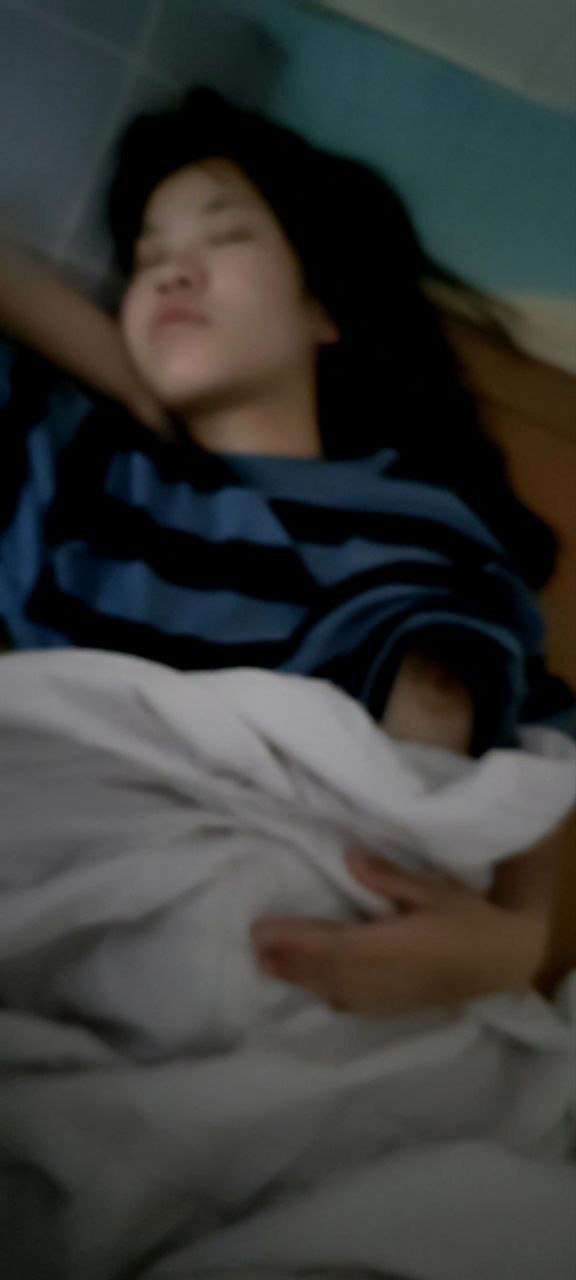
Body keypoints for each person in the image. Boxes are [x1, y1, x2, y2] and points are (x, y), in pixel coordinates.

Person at [0, 88, 572, 1015]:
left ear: (322, 309)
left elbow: (542, 736)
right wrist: (120, 371)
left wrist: (518, 938)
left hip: (399, 1002)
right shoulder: (80, 469)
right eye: (147, 257)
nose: (173, 272)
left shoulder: (435, 520)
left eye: (224, 236)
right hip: (127, 943)